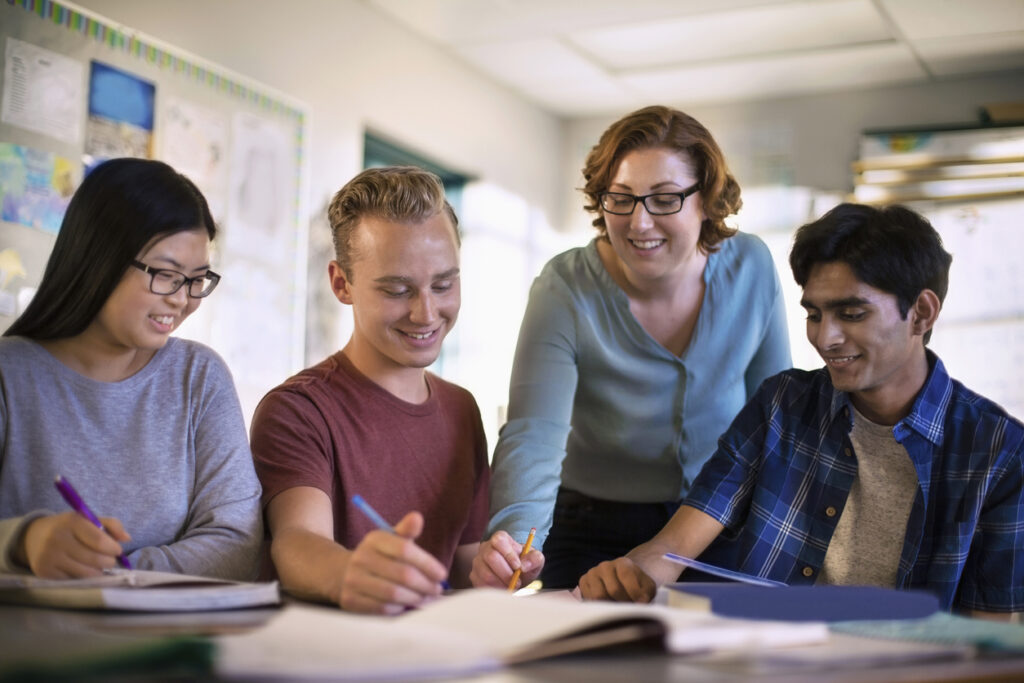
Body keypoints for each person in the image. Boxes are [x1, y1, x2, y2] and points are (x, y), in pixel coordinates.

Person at [579, 203, 1024, 620]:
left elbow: (987, 644)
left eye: (851, 313)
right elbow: (671, 550)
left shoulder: (1000, 455)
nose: (825, 338)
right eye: (813, 314)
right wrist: (632, 574)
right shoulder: (782, 404)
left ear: (921, 313)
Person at [475, 105, 792, 590]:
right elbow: (535, 432)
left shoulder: (751, 268)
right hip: (592, 527)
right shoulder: (564, 288)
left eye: (665, 199)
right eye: (620, 198)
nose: (639, 223)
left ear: (706, 200)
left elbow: (775, 418)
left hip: (716, 522)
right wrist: (515, 546)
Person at [250, 166, 527, 615]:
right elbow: (297, 542)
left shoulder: (461, 409)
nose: (426, 313)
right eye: (398, 290)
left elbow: (462, 565)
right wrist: (353, 574)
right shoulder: (298, 410)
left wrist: (495, 567)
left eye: (444, 284)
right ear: (342, 283)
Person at [0, 158, 263, 580]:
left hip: (167, 640)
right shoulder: (9, 375)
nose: (182, 299)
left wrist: (109, 575)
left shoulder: (199, 378)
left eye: (197, 279)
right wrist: (23, 543)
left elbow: (236, 543)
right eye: (165, 273)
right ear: (98, 258)